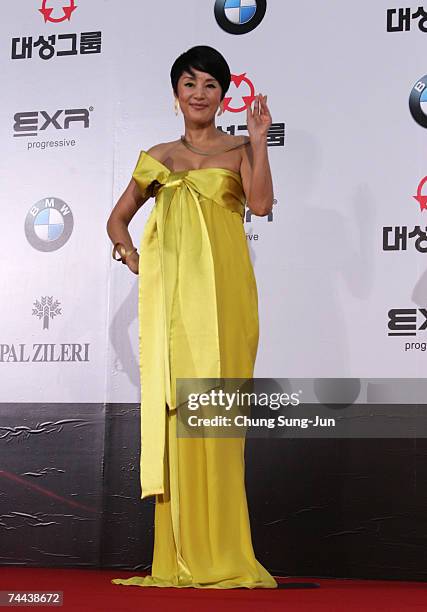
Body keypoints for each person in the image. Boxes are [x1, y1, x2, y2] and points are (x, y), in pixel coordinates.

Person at [106, 45, 277, 589]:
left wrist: (259, 143)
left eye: (209, 84)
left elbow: (263, 204)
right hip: (174, 307)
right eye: (189, 83)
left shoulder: (238, 149)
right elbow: (117, 222)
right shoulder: (157, 156)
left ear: (223, 95)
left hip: (226, 300)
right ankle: (179, 554)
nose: (198, 94)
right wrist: (134, 257)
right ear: (175, 94)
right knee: (180, 414)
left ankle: (226, 551)